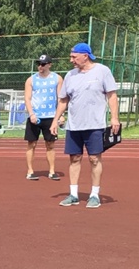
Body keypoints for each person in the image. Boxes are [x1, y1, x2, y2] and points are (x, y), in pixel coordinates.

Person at [51, 42, 120, 209]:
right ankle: (73, 194)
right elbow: (63, 100)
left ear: (85, 56)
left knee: (94, 159)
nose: (71, 60)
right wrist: (55, 120)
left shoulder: (102, 71)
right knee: (74, 158)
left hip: (94, 124)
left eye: (74, 57)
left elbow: (112, 96)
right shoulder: (70, 75)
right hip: (74, 125)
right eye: (71, 56)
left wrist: (114, 118)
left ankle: (94, 194)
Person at [24, 54, 65, 180]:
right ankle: (30, 171)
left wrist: (61, 115)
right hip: (35, 116)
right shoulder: (31, 80)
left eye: (42, 64)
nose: (40, 66)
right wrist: (31, 114)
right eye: (38, 64)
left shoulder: (57, 78)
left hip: (51, 117)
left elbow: (60, 98)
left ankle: (52, 171)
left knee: (50, 144)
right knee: (32, 144)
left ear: (49, 64)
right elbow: (27, 98)